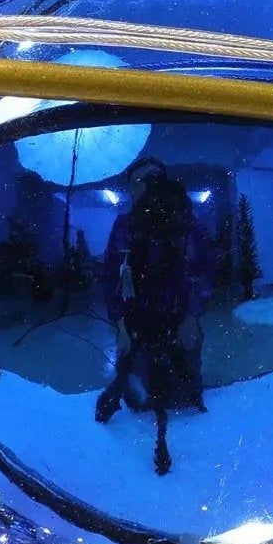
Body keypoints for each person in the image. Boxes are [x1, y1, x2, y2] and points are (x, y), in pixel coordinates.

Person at [92, 158, 213, 475]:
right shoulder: (124, 225)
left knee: (186, 383)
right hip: (136, 316)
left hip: (178, 313)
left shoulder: (185, 221)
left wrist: (191, 316)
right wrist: (119, 324)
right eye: (138, 181)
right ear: (131, 189)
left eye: (154, 179)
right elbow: (111, 277)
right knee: (142, 391)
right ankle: (135, 399)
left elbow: (204, 271)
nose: (146, 186)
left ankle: (188, 399)